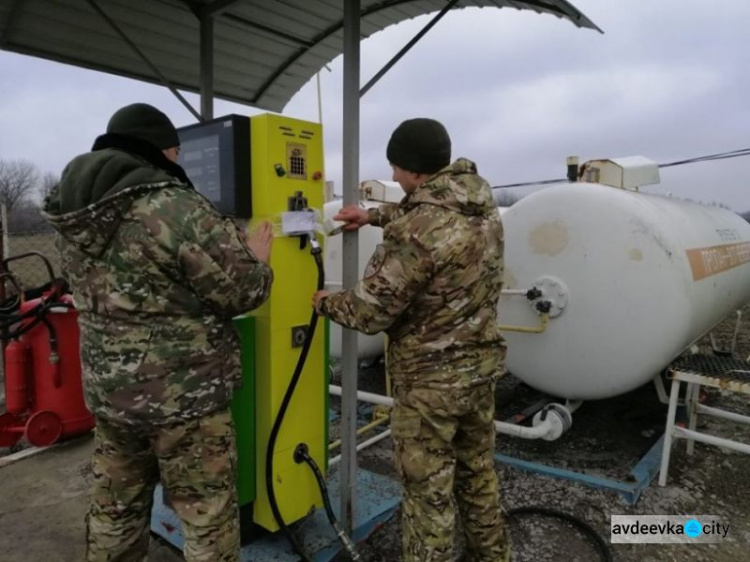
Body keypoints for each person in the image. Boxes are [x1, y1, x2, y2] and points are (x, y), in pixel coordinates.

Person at [42, 103, 274, 562]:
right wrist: (256, 258)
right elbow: (245, 291)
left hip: (111, 398)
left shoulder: (70, 213)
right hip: (185, 403)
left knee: (115, 511)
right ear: (163, 150)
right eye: (176, 152)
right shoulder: (174, 206)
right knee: (206, 517)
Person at [313, 118, 509, 562]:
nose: (394, 177)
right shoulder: (481, 209)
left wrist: (325, 301)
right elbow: (428, 217)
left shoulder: (418, 228)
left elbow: (371, 311)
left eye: (397, 169)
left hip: (430, 386)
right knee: (478, 476)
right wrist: (372, 215)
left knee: (428, 496)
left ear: (415, 170)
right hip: (479, 371)